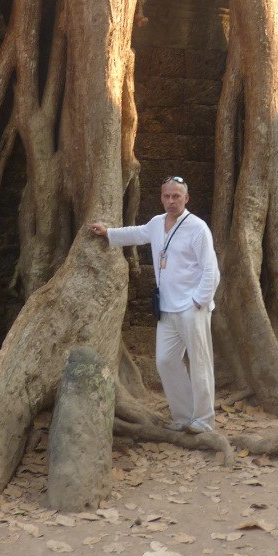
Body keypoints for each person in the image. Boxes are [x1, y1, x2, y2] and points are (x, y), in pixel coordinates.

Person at [90, 176, 220, 433]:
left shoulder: (198, 228)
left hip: (192, 308)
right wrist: (108, 233)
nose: (171, 201)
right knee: (165, 361)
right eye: (167, 196)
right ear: (161, 197)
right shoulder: (157, 223)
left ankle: (204, 422)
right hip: (167, 310)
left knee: (200, 363)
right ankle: (183, 416)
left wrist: (198, 302)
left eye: (176, 196)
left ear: (186, 198)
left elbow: (211, 271)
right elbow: (136, 233)